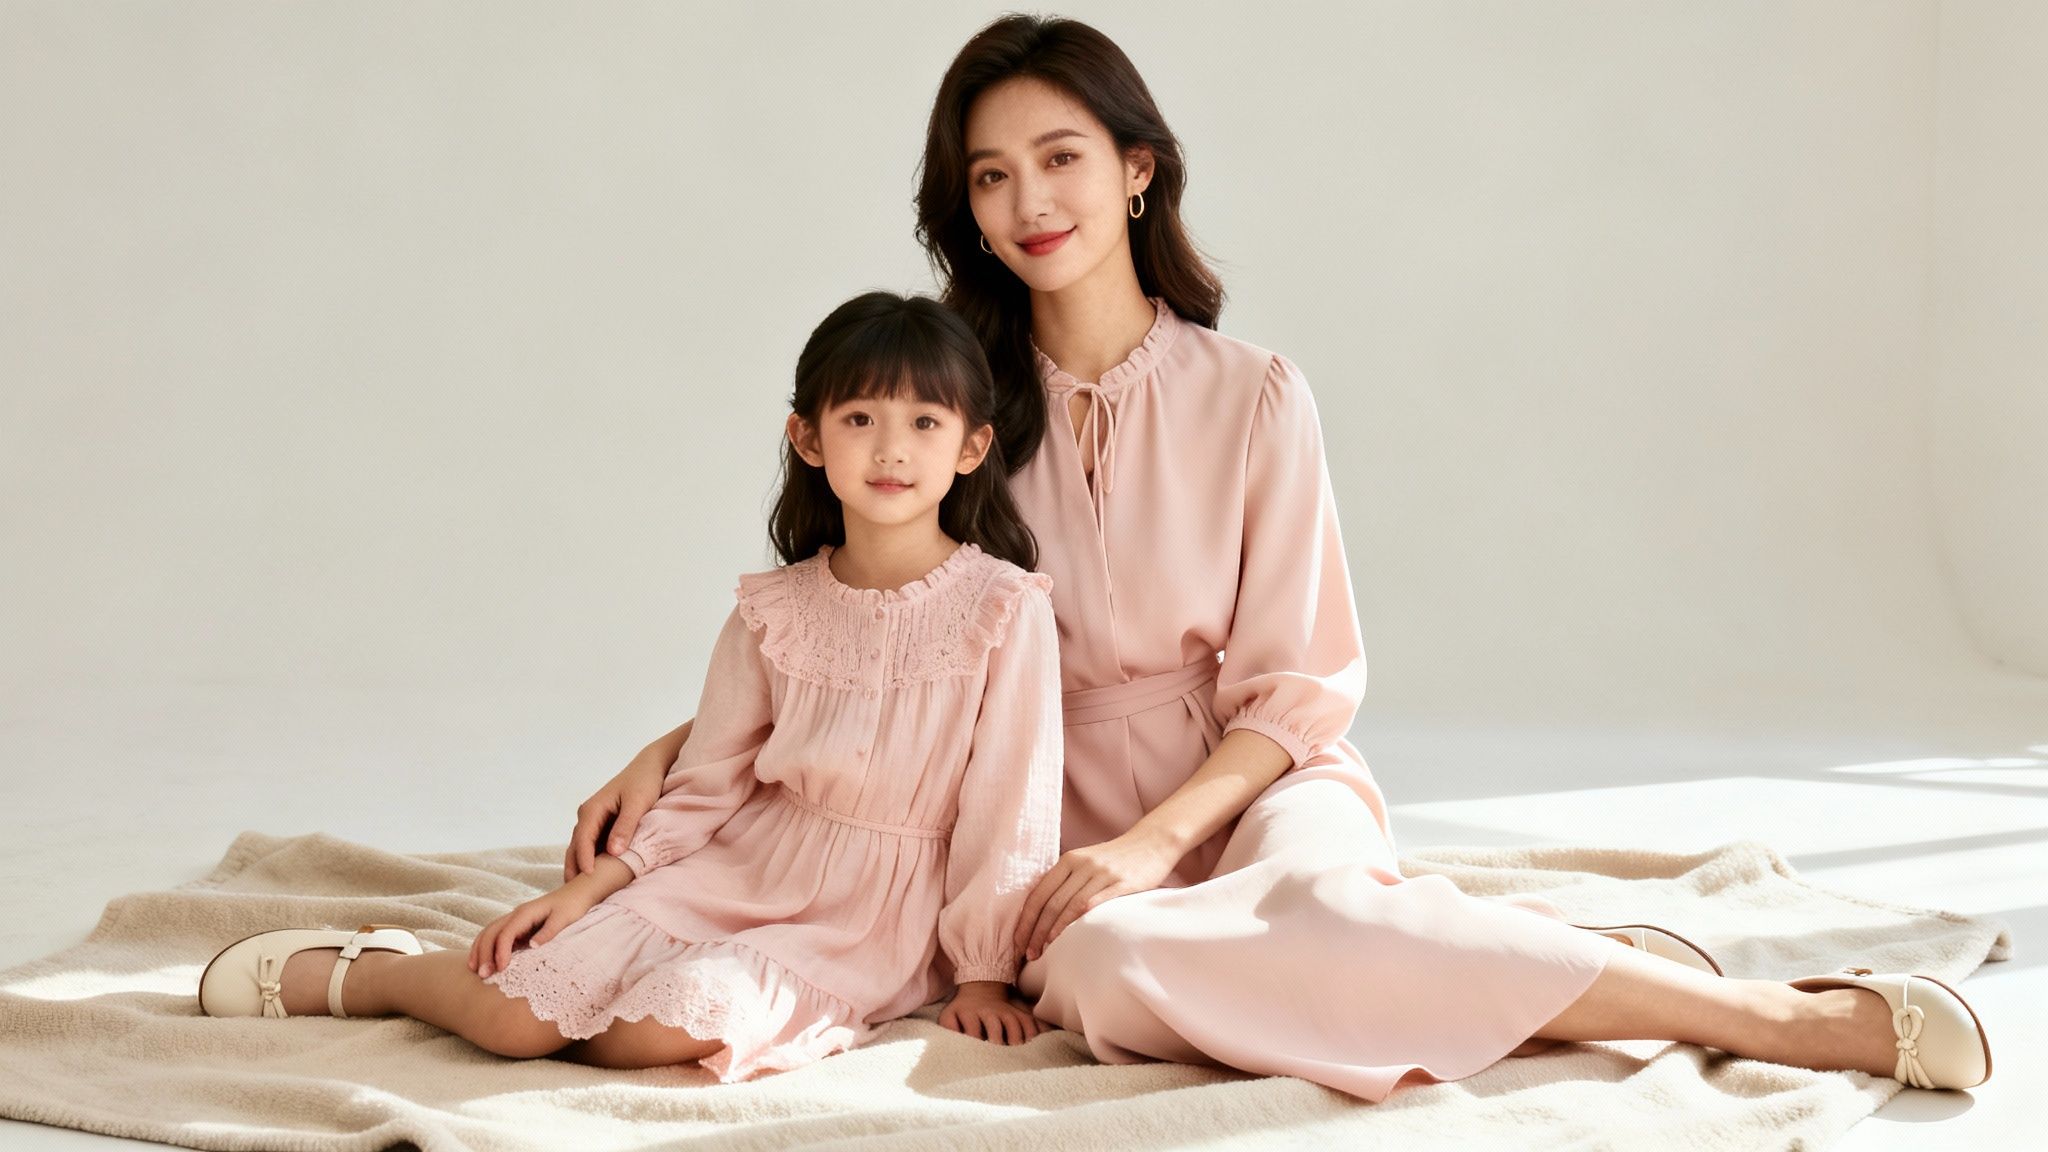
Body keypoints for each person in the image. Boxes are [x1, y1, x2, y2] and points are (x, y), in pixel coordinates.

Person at [563, 15, 1993, 1098]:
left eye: (1060, 158)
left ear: (1137, 172)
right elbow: (876, 620)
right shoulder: (955, 414)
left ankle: (1769, 1018)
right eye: (990, 176)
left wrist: (1156, 842)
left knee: (1308, 902)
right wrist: (677, 747)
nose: (1027, 200)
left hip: (1249, 783)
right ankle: (1541, 974)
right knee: (1115, 973)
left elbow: (1298, 688)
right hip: (1037, 812)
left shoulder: (1256, 395)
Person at [196, 291, 1068, 1081]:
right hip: (738, 868)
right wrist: (588, 889)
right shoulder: (776, 609)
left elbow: (1010, 805)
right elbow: (710, 779)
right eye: (861, 418)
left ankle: (474, 980)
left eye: (924, 423)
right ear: (808, 437)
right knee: (515, 1017)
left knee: (647, 1031)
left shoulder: (1003, 608)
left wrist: (986, 971)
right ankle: (377, 974)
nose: (891, 449)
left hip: (871, 917)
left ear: (972, 447)